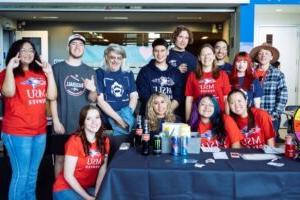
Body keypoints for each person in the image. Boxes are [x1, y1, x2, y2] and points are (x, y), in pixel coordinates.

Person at [0, 39, 57, 200]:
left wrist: (50, 73)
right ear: (15, 53)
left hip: (39, 132)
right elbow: (8, 93)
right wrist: (10, 68)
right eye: (23, 50)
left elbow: (52, 96)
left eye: (31, 50)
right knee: (21, 175)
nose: (28, 53)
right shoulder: (6, 73)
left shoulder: (40, 73)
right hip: (17, 132)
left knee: (32, 174)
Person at [50, 34, 98, 177]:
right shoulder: (57, 69)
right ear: (68, 47)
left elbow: (92, 99)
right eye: (74, 44)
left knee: (80, 160)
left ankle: (76, 191)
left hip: (83, 125)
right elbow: (52, 98)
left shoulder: (89, 71)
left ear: (84, 49)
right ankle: (59, 192)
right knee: (60, 159)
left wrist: (92, 89)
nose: (77, 47)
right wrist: (56, 121)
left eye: (81, 45)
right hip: (62, 123)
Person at [53, 105, 109, 200]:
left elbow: (102, 170)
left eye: (97, 117)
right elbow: (68, 175)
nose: (94, 122)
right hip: (66, 188)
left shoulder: (105, 140)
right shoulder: (74, 141)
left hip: (86, 188)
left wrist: (97, 194)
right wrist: (88, 197)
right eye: (89, 119)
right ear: (83, 123)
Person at [96, 44, 138, 160]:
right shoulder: (100, 73)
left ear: (122, 59)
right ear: (106, 57)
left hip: (126, 120)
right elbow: (100, 101)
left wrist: (127, 116)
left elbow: (134, 96)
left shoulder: (128, 73)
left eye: (119, 58)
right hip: (107, 123)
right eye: (112, 57)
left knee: (126, 154)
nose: (115, 60)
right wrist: (119, 119)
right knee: (108, 155)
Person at [250, 43, 288, 142]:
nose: (263, 56)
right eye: (260, 53)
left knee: (270, 146)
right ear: (257, 57)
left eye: (266, 53)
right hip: (252, 116)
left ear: (271, 57)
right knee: (253, 143)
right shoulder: (250, 73)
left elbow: (283, 96)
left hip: (270, 116)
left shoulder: (278, 74)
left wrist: (274, 114)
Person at [136, 38, 184, 117]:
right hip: (149, 117)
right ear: (153, 52)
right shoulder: (144, 71)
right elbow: (144, 96)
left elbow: (178, 97)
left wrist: (166, 112)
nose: (159, 54)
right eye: (156, 51)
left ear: (167, 51)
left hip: (170, 116)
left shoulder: (175, 72)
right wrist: (158, 112)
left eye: (162, 50)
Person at [185, 43, 231, 122]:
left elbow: (226, 99)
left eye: (209, 54)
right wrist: (188, 120)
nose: (206, 57)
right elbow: (189, 99)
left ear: (213, 56)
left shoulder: (223, 74)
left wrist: (228, 119)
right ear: (199, 58)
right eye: (203, 55)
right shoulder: (192, 75)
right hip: (198, 118)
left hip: (218, 118)